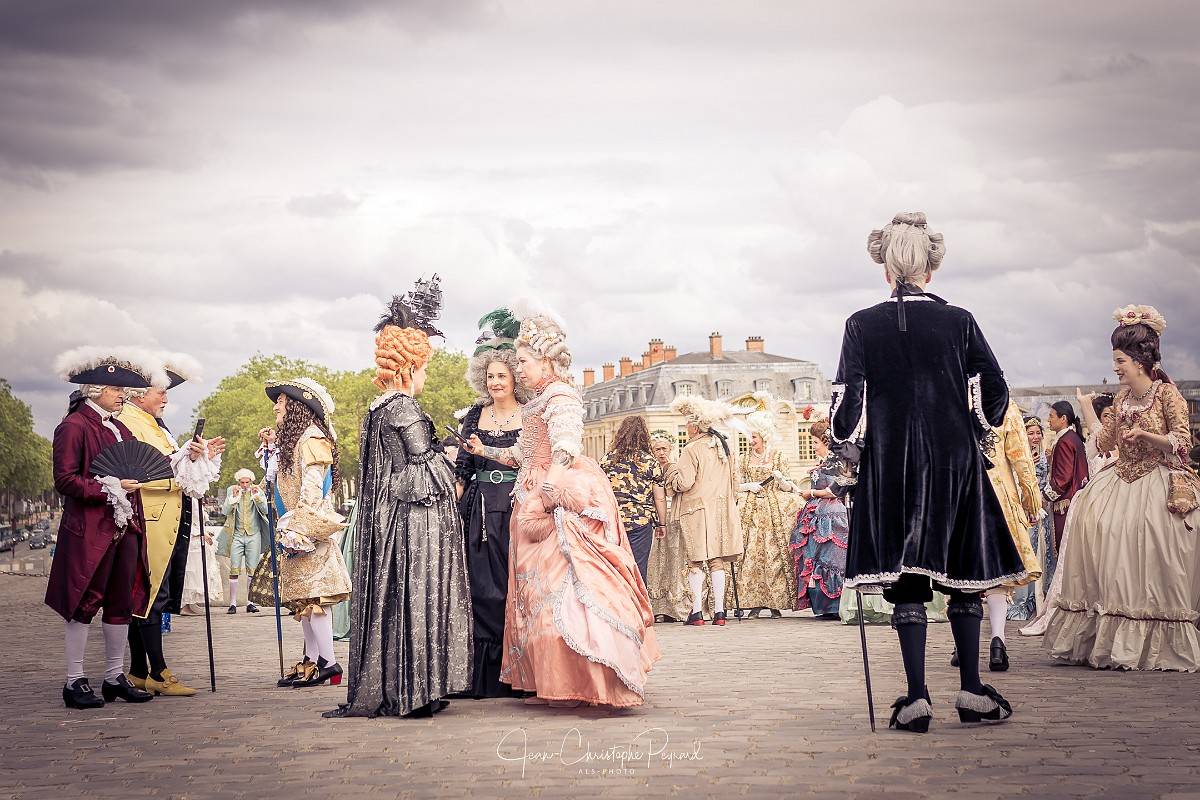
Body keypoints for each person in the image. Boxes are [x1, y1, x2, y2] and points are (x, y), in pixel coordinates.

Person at [832, 212, 1024, 733]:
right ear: (929, 269)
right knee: (964, 575)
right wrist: (975, 427)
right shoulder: (959, 321)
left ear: (886, 269)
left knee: (908, 581)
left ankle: (917, 697)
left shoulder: (861, 324)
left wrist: (846, 449)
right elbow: (995, 388)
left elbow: (847, 402)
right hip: (952, 459)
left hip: (891, 461)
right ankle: (971, 690)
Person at [465, 297, 660, 707]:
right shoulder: (538, 400)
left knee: (567, 588)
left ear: (546, 361)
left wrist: (549, 492)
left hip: (555, 500)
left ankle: (592, 677)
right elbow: (522, 454)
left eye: (523, 362)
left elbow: (566, 447)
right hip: (532, 493)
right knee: (536, 594)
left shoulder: (561, 397)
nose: (519, 369)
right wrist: (485, 451)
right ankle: (555, 679)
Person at [325, 277, 472, 718]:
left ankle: (404, 685)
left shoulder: (377, 409)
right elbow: (425, 469)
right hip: (412, 523)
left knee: (396, 601)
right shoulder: (404, 407)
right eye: (423, 367)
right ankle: (416, 688)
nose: (426, 376)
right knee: (416, 597)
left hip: (389, 518)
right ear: (409, 367)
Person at [1044, 305, 1200, 671]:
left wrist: (1146, 435)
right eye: (1114, 361)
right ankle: (1109, 635)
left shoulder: (1166, 395)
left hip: (1158, 478)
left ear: (1139, 361)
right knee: (1098, 526)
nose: (1115, 368)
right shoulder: (1120, 398)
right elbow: (1103, 442)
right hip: (1120, 479)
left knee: (1155, 537)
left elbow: (1183, 442)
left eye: (1120, 361)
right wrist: (1086, 409)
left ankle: (1154, 636)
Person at [47, 348, 156, 709]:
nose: (122, 395)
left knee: (120, 601)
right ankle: (74, 680)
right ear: (96, 390)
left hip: (125, 527)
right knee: (83, 602)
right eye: (116, 389)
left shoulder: (120, 427)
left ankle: (114, 676)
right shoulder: (74, 426)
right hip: (90, 530)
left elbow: (142, 465)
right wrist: (110, 487)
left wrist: (189, 457)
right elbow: (65, 480)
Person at [118, 351, 225, 697]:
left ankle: (140, 670)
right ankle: (158, 671)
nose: (165, 398)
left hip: (166, 517)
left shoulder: (155, 424)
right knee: (150, 595)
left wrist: (198, 457)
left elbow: (174, 467)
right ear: (139, 394)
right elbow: (146, 471)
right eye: (160, 391)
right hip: (150, 518)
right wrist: (184, 460)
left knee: (153, 594)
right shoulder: (130, 422)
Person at [451, 307, 529, 699]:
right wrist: (450, 504)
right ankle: (483, 676)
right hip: (479, 510)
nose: (495, 382)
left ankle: (519, 671)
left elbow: (534, 462)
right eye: (490, 376)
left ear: (515, 377)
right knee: (481, 589)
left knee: (517, 587)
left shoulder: (530, 415)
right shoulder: (473, 415)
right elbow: (463, 468)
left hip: (517, 507)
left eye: (501, 375)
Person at [267, 376, 351, 689]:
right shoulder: (296, 442)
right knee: (305, 600)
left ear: (297, 406)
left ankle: (328, 662)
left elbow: (312, 491)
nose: (276, 407)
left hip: (310, 531)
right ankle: (312, 661)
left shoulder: (313, 439)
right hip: (295, 529)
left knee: (317, 598)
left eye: (281, 401)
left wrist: (298, 529)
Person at [950, 401, 1041, 671]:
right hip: (999, 497)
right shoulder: (1004, 404)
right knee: (998, 574)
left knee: (961, 572)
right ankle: (997, 641)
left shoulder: (951, 395)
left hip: (959, 495)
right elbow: (1021, 459)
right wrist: (1031, 500)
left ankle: (962, 644)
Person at [666, 395, 746, 627]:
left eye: (687, 424)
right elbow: (735, 481)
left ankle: (697, 612)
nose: (686, 428)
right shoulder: (724, 447)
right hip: (721, 509)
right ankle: (720, 612)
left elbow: (684, 483)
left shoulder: (691, 449)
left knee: (696, 561)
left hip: (696, 510)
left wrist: (671, 474)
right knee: (716, 561)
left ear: (695, 425)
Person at [733, 396, 800, 618]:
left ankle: (774, 602)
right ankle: (753, 602)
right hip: (750, 511)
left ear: (764, 435)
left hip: (774, 512)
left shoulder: (778, 456)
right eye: (750, 436)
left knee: (774, 555)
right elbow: (735, 485)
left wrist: (780, 479)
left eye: (754, 436)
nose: (751, 440)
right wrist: (747, 486)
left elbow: (790, 486)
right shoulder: (743, 459)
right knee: (751, 555)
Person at [791, 419, 849, 619]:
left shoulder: (834, 462)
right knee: (815, 559)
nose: (813, 446)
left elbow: (835, 490)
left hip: (832, 516)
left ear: (825, 441)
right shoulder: (824, 463)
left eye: (815, 442)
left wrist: (812, 493)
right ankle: (823, 605)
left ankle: (835, 605)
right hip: (816, 515)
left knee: (832, 559)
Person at [600, 415, 669, 584]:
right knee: (638, 567)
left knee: (616, 566)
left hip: (614, 520)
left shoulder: (607, 460)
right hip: (641, 521)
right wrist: (661, 524)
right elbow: (660, 498)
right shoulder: (650, 462)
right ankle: (637, 598)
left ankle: (618, 598)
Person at [646, 431, 701, 622]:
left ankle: (677, 605)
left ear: (670, 449)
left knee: (675, 559)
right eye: (657, 449)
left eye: (664, 449)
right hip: (655, 518)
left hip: (673, 516)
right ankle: (658, 606)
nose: (661, 452)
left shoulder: (675, 469)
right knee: (657, 561)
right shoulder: (650, 468)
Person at [220, 468, 268, 613]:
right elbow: (225, 511)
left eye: (247, 482)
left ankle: (250, 602)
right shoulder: (232, 490)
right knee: (234, 568)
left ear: (251, 482)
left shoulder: (257, 491)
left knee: (252, 569)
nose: (245, 485)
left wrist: (257, 497)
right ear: (238, 482)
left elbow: (265, 510)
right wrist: (233, 498)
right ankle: (232, 604)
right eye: (242, 482)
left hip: (254, 534)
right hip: (237, 535)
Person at [1045, 400, 1089, 551]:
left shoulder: (1064, 441)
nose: (1048, 420)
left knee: (1064, 548)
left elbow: (1063, 478)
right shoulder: (1073, 437)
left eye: (1051, 416)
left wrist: (1044, 496)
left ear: (1063, 418)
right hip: (1076, 500)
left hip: (1066, 503)